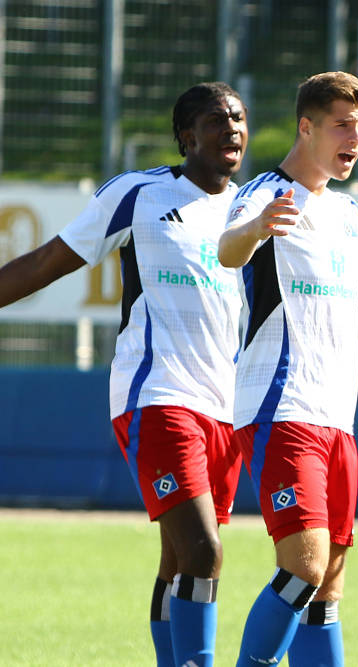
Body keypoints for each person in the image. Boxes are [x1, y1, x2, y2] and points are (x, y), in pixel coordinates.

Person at [0, 82, 248, 666]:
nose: (233, 129)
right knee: (204, 554)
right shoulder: (139, 193)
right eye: (217, 120)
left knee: (178, 561)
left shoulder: (253, 213)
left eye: (239, 118)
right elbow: (46, 261)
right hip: (157, 394)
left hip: (227, 410)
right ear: (186, 136)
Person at [218, 71, 358, 666]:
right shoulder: (268, 192)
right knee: (305, 566)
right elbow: (227, 247)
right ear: (306, 126)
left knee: (328, 587)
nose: (355, 137)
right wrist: (257, 228)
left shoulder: (350, 216)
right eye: (343, 124)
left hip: (340, 418)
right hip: (283, 407)